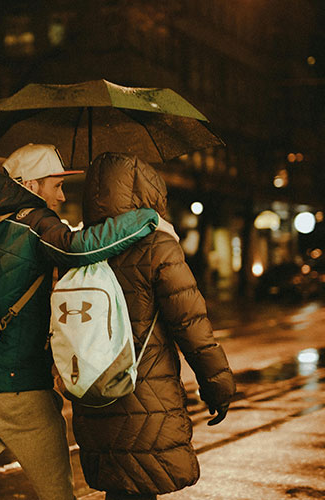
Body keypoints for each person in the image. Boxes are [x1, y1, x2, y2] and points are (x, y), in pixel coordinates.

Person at [0, 144, 174, 500]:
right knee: (56, 492)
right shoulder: (34, 222)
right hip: (17, 387)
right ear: (32, 185)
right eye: (55, 185)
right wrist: (146, 219)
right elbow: (78, 247)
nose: (61, 195)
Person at [72, 152, 237, 500]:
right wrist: (217, 387)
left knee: (118, 491)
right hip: (146, 393)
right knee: (139, 488)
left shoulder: (79, 250)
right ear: (149, 194)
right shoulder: (158, 246)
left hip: (94, 395)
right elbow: (191, 325)